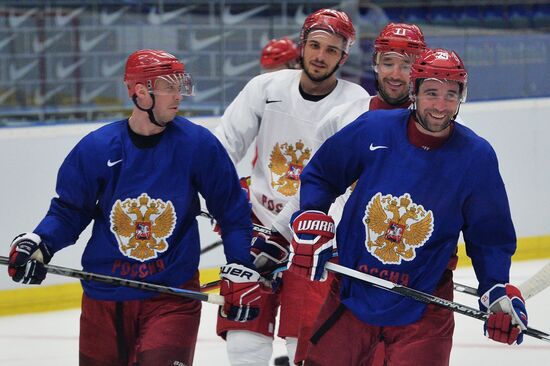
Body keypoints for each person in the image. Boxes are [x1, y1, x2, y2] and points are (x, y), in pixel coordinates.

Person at [7, 49, 266, 366]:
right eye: (169, 87)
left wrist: (241, 268)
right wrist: (40, 243)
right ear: (141, 92)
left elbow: (232, 212)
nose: (179, 95)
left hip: (172, 298)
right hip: (104, 297)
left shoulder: (198, 146)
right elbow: (69, 212)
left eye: (180, 86)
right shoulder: (97, 148)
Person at [288, 48, 528, 365]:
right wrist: (313, 215)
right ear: (414, 91)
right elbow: (321, 175)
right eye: (431, 93)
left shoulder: (476, 157)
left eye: (450, 95)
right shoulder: (373, 128)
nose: (441, 106)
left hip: (425, 308)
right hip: (351, 294)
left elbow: (490, 237)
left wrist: (496, 286)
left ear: (461, 97)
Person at [214, 8, 369, 366]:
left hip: (313, 238)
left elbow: (349, 182)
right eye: (315, 45)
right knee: (243, 345)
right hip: (257, 228)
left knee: (305, 349)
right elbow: (222, 147)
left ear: (343, 56)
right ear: (302, 46)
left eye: (331, 50)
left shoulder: (356, 103)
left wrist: (304, 230)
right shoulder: (265, 88)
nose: (320, 56)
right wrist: (227, 201)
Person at [272, 22, 426, 365]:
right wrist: (278, 235)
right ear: (375, 64)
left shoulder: (435, 124)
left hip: (393, 272)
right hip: (334, 262)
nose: (397, 74)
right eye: (388, 63)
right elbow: (315, 185)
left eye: (407, 63)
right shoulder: (342, 118)